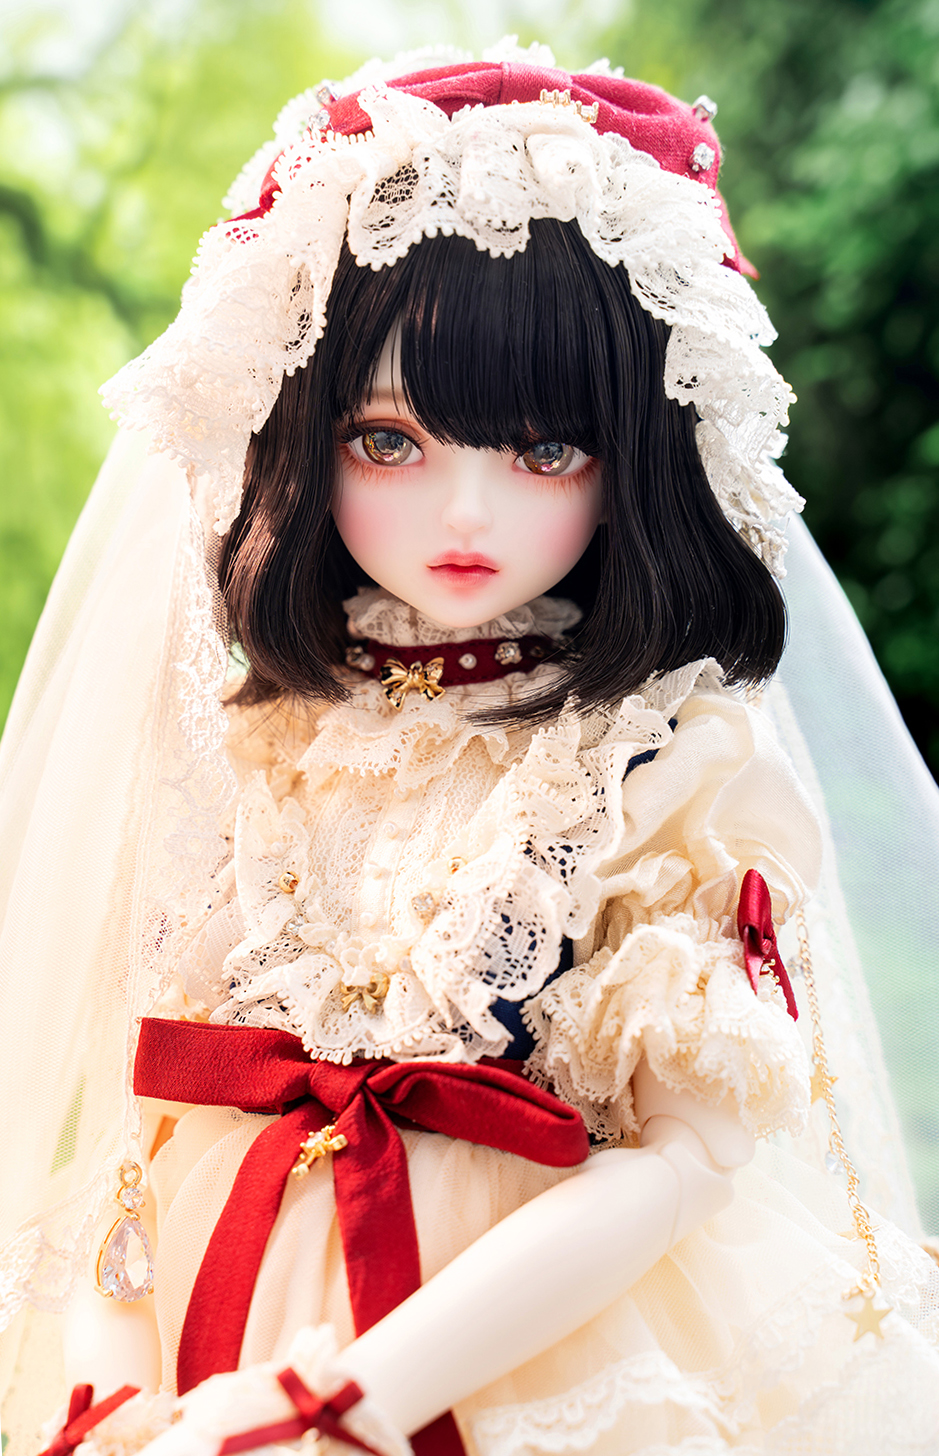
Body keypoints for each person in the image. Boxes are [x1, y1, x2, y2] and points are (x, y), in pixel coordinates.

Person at [1, 39, 937, 1456]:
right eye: (389, 441)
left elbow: (687, 1162)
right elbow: (147, 1136)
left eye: (546, 452)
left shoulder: (658, 760)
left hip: (528, 1347)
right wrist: (111, 1391)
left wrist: (349, 1396)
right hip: (206, 1323)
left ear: (642, 458)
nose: (465, 516)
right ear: (299, 438)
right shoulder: (255, 735)